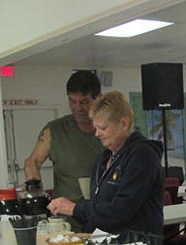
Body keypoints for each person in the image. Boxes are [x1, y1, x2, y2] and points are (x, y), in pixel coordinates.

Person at [47, 91, 164, 236]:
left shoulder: (142, 156)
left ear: (124, 123)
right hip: (104, 244)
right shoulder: (104, 160)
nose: (97, 134)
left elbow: (122, 209)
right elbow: (100, 208)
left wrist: (75, 209)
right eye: (96, 128)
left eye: (103, 128)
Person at [24, 71, 106, 226]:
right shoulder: (53, 131)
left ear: (99, 98)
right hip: (67, 223)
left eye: (84, 102)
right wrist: (33, 184)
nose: (77, 108)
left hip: (104, 216)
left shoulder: (109, 130)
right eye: (72, 101)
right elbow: (32, 162)